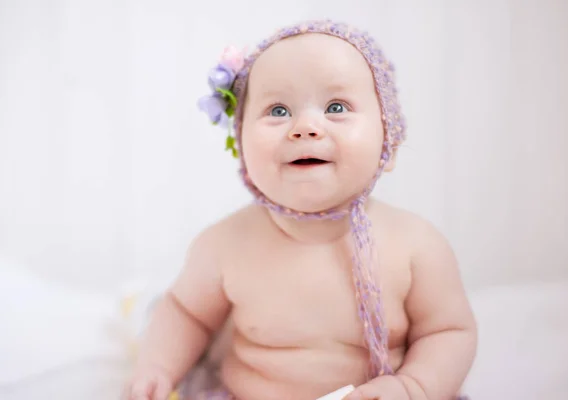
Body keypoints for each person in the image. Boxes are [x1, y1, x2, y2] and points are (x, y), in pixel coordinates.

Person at [124, 19, 477, 400]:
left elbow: (449, 332)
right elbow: (185, 313)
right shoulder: (225, 245)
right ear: (241, 140)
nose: (305, 127)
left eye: (336, 107)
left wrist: (414, 387)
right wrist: (157, 367)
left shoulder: (416, 246)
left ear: (387, 139)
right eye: (277, 110)